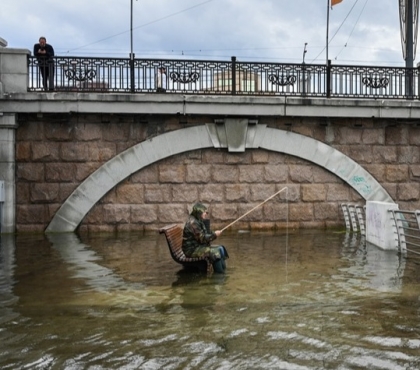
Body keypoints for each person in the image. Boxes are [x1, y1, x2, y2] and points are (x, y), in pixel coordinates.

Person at [182, 202, 228, 273]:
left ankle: (223, 270)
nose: (206, 213)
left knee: (220, 248)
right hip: (191, 250)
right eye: (204, 212)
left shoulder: (198, 220)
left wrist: (214, 233)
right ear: (198, 212)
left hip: (198, 246)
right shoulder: (193, 223)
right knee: (214, 252)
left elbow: (204, 233)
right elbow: (202, 239)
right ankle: (219, 276)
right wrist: (215, 235)